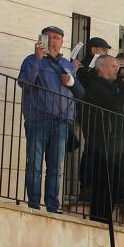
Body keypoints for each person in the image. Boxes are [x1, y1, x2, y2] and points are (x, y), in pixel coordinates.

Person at [18, 24, 83, 213]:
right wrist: (37, 59)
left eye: (57, 38)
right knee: (35, 164)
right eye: (49, 37)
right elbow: (25, 83)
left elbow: (79, 93)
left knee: (56, 167)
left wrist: (72, 79)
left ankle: (53, 206)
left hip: (61, 122)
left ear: (62, 42)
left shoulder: (67, 65)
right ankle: (34, 204)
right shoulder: (31, 60)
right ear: (42, 39)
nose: (53, 41)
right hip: (39, 119)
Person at [80, 55, 124, 223]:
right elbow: (114, 106)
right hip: (102, 145)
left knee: (114, 188)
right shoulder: (97, 86)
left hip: (115, 146)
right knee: (103, 188)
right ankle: (99, 221)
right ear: (102, 68)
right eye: (113, 66)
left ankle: (105, 221)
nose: (117, 69)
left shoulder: (112, 86)